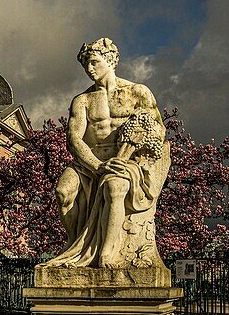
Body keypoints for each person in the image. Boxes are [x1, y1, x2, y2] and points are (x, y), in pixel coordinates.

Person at [45, 38, 170, 269]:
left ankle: (107, 254)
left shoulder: (137, 92)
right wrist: (97, 166)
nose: (89, 69)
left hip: (127, 161)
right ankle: (76, 246)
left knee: (115, 187)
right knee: (63, 192)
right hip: (89, 162)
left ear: (110, 60)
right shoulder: (82, 100)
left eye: (94, 62)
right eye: (86, 66)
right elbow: (74, 140)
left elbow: (156, 131)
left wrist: (131, 156)